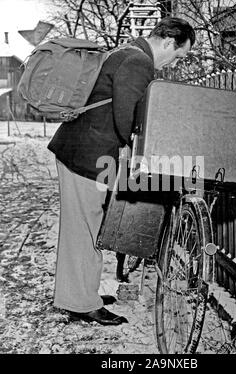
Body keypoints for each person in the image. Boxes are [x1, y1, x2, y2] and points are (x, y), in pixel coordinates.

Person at [47, 17, 196, 325]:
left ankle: (81, 292)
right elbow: (127, 118)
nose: (172, 63)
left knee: (87, 227)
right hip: (86, 155)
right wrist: (150, 151)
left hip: (84, 152)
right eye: (178, 54)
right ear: (169, 42)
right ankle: (81, 303)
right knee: (85, 230)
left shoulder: (127, 52)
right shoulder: (138, 61)